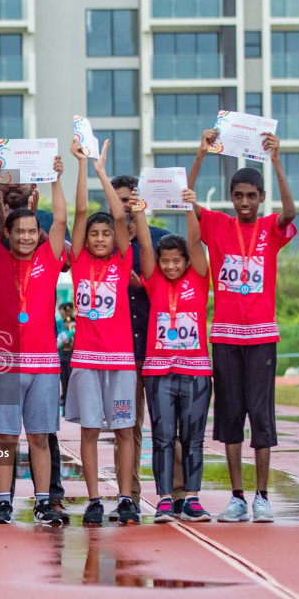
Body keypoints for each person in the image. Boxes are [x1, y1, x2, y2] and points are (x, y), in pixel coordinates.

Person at [186, 130, 298, 523]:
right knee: (231, 415)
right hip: (226, 336)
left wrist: (278, 160)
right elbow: (187, 200)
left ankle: (262, 496)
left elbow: (291, 212)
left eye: (252, 196)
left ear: (260, 198)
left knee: (261, 417)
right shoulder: (217, 224)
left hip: (263, 336)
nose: (245, 202)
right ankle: (236, 497)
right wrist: (201, 155)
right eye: (239, 196)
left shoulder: (270, 228)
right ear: (231, 198)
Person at [0, 168, 69, 512]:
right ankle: (3, 502)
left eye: (31, 232)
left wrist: (56, 179)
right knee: (6, 439)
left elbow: (61, 219)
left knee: (40, 437)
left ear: (38, 234)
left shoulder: (50, 258)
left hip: (43, 364)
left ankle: (43, 501)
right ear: (6, 234)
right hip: (4, 364)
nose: (25, 238)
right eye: (19, 232)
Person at [65, 137, 140, 526]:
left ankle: (125, 497)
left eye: (105, 234)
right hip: (86, 360)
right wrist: (81, 166)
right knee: (91, 432)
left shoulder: (122, 261)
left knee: (125, 431)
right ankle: (94, 498)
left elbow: (120, 215)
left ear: (114, 239)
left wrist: (101, 173)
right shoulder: (77, 261)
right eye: (94, 234)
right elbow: (80, 212)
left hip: (121, 360)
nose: (98, 238)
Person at [131, 191, 212, 523]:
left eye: (176, 260)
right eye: (166, 261)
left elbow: (196, 242)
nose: (170, 265)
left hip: (196, 372)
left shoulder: (199, 277)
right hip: (159, 371)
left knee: (193, 437)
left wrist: (190, 207)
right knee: (163, 436)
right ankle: (165, 498)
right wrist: (138, 210)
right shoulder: (153, 280)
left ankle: (191, 498)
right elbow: (146, 246)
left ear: (187, 261)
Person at [108, 174, 180, 511]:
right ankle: (129, 496)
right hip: (122, 352)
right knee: (126, 427)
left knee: (171, 426)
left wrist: (150, 282)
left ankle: (180, 495)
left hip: (162, 351)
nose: (125, 206)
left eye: (130, 199)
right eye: (119, 200)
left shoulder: (165, 242)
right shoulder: (106, 245)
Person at [56, 301, 76, 406]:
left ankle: (72, 400)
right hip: (62, 353)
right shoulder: (60, 323)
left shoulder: (76, 322)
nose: (67, 312)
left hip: (72, 353)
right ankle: (64, 398)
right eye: (65, 310)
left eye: (69, 310)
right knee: (63, 379)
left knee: (71, 378)